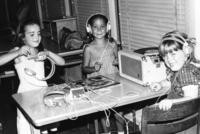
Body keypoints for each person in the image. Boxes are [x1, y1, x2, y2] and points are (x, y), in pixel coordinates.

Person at [0, 20, 65, 134]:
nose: (37, 37)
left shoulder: (40, 52)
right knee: (28, 126)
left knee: (42, 126)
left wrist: (49, 53)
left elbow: (62, 62)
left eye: (39, 33)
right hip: (26, 95)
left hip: (42, 93)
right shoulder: (18, 52)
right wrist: (18, 52)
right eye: (32, 34)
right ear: (23, 37)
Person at [82, 13, 123, 134]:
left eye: (102, 26)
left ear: (108, 27)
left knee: (119, 112)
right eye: (95, 27)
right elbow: (84, 69)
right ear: (89, 29)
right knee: (104, 113)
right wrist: (94, 68)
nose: (99, 30)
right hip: (98, 84)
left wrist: (117, 62)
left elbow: (118, 60)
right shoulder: (88, 48)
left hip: (115, 81)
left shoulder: (113, 44)